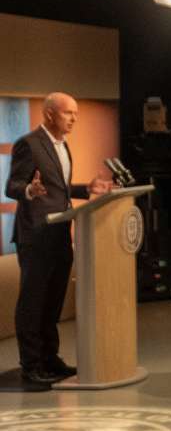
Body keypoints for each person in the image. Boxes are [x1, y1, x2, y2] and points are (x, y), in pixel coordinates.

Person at [4, 92, 111, 385]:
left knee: (53, 302)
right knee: (33, 302)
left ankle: (50, 359)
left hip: (60, 234)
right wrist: (29, 191)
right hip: (36, 235)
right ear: (50, 114)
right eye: (68, 113)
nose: (74, 119)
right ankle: (31, 364)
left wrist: (84, 189)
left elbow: (58, 189)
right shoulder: (29, 144)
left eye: (76, 113)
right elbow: (12, 186)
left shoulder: (63, 146)